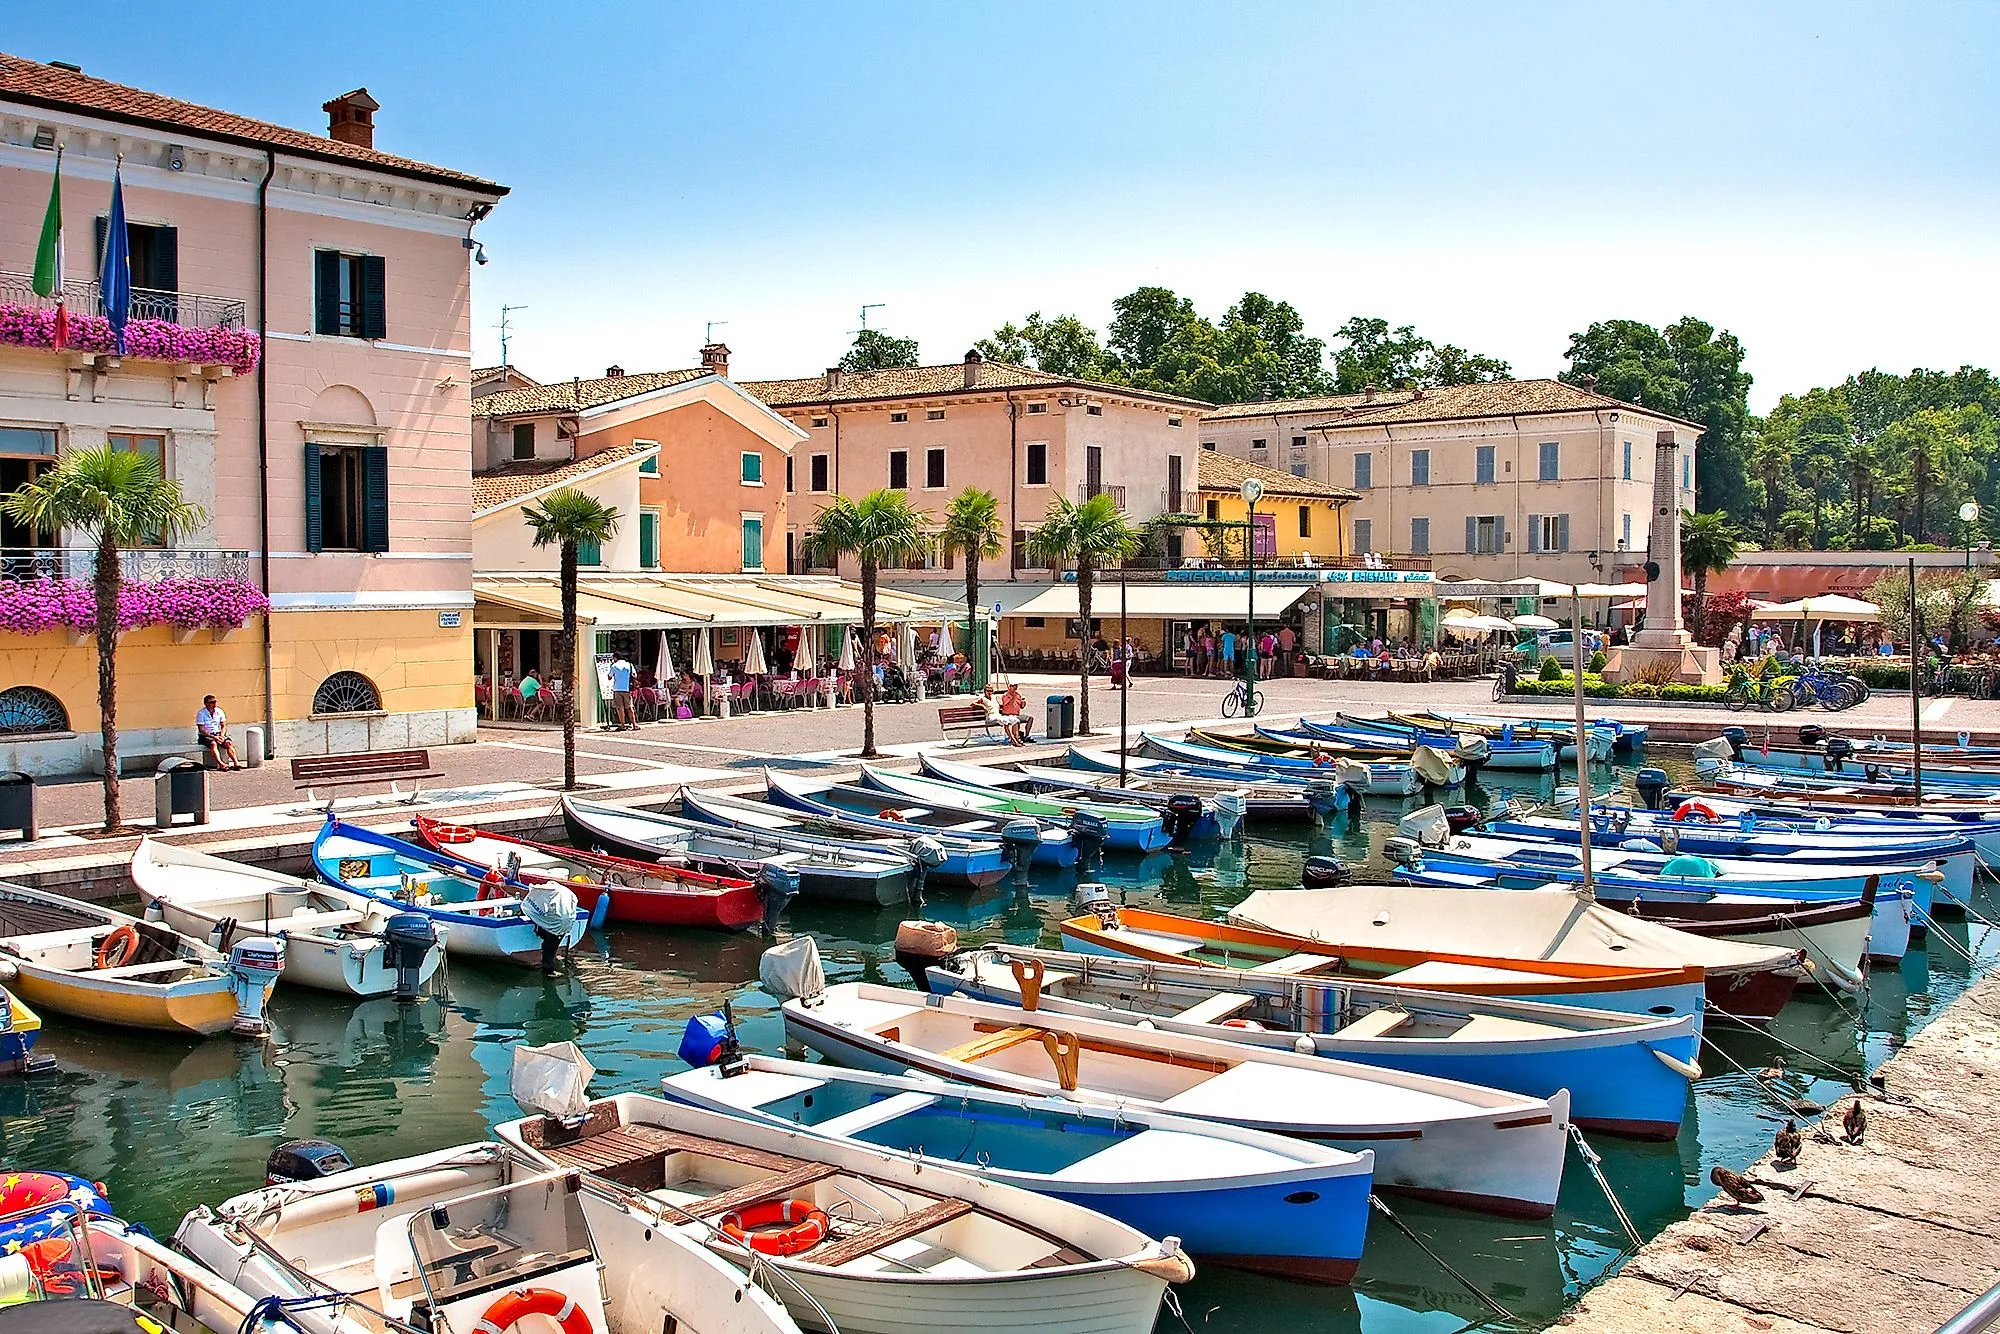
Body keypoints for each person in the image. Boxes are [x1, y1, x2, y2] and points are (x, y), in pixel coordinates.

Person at [195, 695, 240, 770]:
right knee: (213, 744)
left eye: (215, 702)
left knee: (228, 743)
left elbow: (223, 725)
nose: (214, 704)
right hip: (206, 735)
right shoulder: (201, 713)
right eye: (211, 702)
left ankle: (236, 763)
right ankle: (221, 764)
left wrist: (221, 735)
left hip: (218, 733)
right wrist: (213, 737)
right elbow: (201, 730)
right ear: (206, 703)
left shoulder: (219, 711)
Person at [608, 653, 636, 730]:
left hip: (617, 689)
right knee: (630, 707)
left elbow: (609, 677)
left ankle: (622, 725)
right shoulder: (629, 665)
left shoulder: (614, 666)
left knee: (620, 707)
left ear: (615, 658)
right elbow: (634, 675)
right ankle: (634, 724)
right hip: (627, 689)